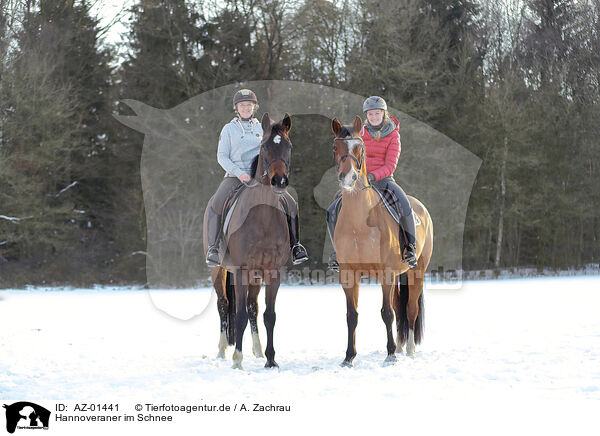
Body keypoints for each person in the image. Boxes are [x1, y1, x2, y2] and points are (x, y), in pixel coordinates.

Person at [205, 89, 309, 267]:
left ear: (254, 107)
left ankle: (295, 246)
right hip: (235, 176)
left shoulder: (263, 128)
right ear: (236, 108)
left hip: (261, 178)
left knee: (290, 203)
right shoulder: (229, 129)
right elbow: (222, 157)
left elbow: (272, 151)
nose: (246, 108)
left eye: (249, 105)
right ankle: (214, 248)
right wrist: (240, 173)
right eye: (242, 105)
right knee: (216, 203)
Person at [326, 96, 418, 270]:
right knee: (332, 209)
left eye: (377, 113)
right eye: (370, 114)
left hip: (383, 180)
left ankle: (410, 248)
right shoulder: (359, 134)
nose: (374, 117)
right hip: (359, 181)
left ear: (384, 114)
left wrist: (372, 177)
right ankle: (337, 251)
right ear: (366, 116)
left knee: (404, 205)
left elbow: (390, 165)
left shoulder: (393, 135)